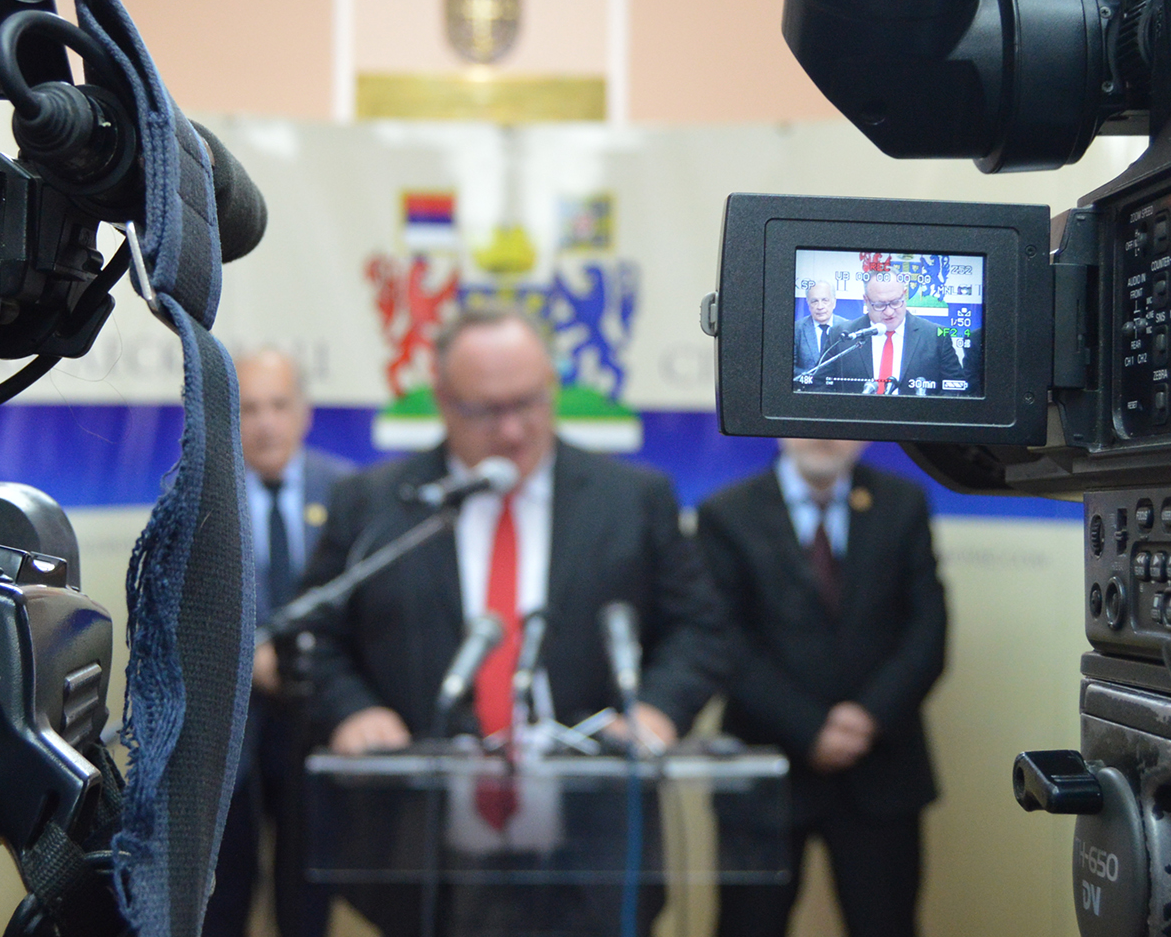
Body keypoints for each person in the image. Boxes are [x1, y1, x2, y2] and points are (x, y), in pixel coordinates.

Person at [303, 306, 727, 935]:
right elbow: (315, 637)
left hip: (592, 836)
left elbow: (699, 630)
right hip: (422, 844)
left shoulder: (633, 499)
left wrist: (657, 710)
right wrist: (352, 710)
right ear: (443, 401)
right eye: (485, 410)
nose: (511, 431)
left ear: (552, 386)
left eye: (528, 402)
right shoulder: (376, 505)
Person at [697, 439, 947, 937]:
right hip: (767, 770)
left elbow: (927, 632)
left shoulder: (902, 503)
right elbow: (724, 641)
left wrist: (867, 718)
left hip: (879, 770)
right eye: (803, 415)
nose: (820, 432)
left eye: (835, 417)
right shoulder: (726, 512)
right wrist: (811, 729)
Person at [204, 348, 354, 937]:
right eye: (249, 409)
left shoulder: (347, 491)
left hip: (317, 723)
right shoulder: (198, 493)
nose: (266, 423)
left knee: (307, 893)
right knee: (223, 895)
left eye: (279, 406)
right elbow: (176, 611)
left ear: (305, 413)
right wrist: (246, 657)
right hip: (229, 735)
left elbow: (366, 612)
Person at [829, 276, 965, 395]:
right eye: (880, 305)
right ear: (866, 300)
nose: (889, 312)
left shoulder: (936, 336)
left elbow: (956, 388)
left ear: (904, 294)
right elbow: (822, 385)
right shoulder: (842, 336)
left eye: (895, 303)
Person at [793, 280, 839, 380]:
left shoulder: (847, 328)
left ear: (834, 302)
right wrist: (812, 378)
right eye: (814, 301)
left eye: (825, 300)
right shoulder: (797, 329)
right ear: (808, 304)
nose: (820, 307)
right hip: (806, 387)